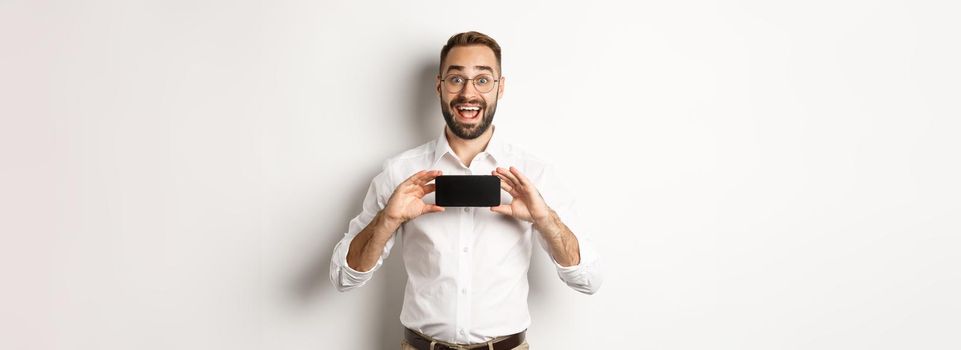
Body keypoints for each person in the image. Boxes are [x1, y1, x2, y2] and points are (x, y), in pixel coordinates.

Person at [330, 31, 603, 350]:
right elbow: (343, 278)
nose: (468, 93)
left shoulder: (534, 173)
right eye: (456, 79)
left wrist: (545, 219)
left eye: (483, 80)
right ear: (439, 86)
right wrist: (388, 219)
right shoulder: (400, 172)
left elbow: (589, 280)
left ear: (500, 88)